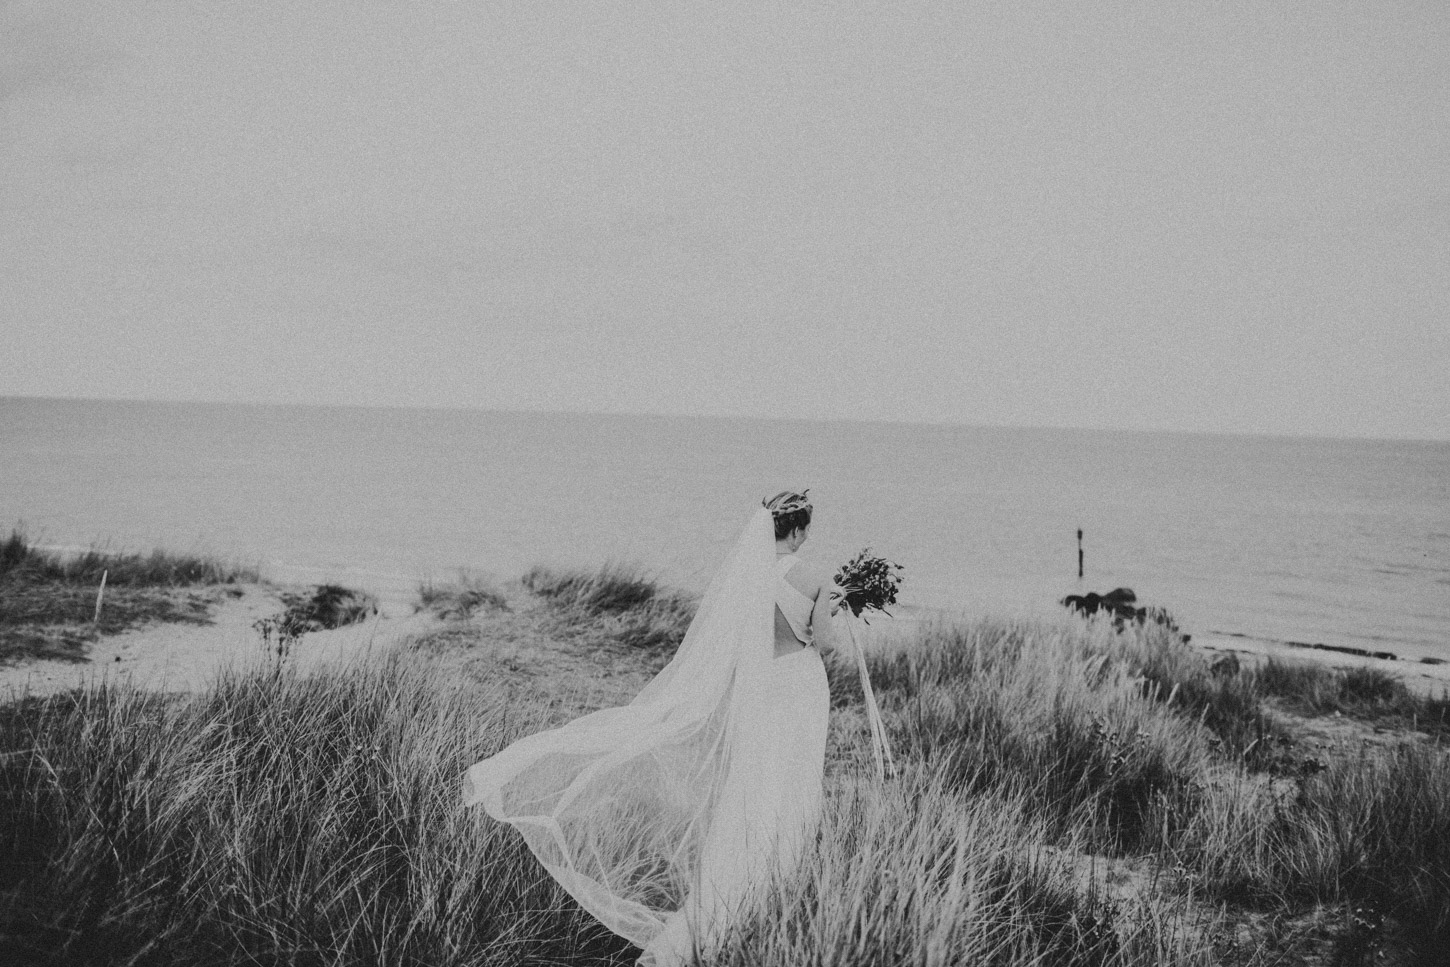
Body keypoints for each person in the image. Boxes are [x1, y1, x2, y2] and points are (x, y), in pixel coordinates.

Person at [462, 490, 838, 965]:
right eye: (807, 530)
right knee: (792, 778)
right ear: (799, 530)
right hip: (798, 686)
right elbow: (824, 643)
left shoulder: (747, 576)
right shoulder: (816, 579)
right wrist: (832, 612)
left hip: (761, 690)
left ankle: (724, 893)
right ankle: (774, 885)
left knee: (753, 783)